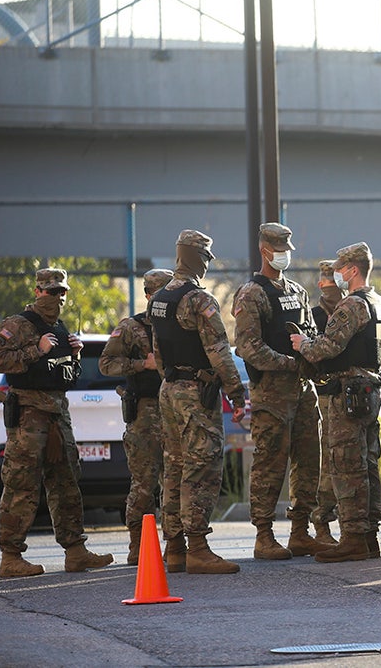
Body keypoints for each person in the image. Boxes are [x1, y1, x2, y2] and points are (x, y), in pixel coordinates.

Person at [0, 268, 115, 578]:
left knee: (66, 482)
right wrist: (36, 350)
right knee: (22, 484)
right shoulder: (17, 325)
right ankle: (11, 557)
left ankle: (76, 551)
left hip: (58, 414)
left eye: (61, 292)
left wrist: (74, 354)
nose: (56, 298)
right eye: (50, 291)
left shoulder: (59, 328)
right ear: (37, 292)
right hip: (29, 416)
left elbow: (63, 373)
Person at [292, 242, 381, 562]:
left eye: (340, 268)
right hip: (370, 392)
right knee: (366, 465)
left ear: (352, 270)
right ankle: (369, 537)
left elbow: (327, 347)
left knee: (345, 466)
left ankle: (352, 537)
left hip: (346, 395)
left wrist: (302, 343)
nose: (336, 273)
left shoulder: (352, 305)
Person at [150, 229, 247, 574]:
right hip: (196, 394)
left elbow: (158, 352)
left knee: (174, 468)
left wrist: (171, 379)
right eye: (206, 259)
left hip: (170, 390)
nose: (207, 266)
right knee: (201, 469)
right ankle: (198, 548)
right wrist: (237, 393)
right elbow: (220, 353)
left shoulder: (159, 296)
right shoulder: (199, 300)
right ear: (197, 258)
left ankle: (174, 548)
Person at [231, 223, 328, 560]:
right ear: (264, 250)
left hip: (303, 391)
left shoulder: (297, 291)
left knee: (308, 460)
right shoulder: (251, 294)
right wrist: (290, 363)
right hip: (272, 393)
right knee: (270, 462)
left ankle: (301, 530)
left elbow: (311, 333)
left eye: (287, 246)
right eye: (277, 247)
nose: (284, 253)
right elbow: (248, 347)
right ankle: (264, 535)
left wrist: (311, 355)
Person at [99, 267, 174, 566]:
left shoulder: (181, 325)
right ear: (147, 295)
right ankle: (138, 546)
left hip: (176, 413)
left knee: (175, 482)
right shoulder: (131, 327)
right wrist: (142, 364)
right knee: (144, 484)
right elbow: (107, 364)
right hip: (145, 414)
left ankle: (175, 545)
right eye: (159, 294)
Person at [308, 259, 343, 546]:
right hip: (325, 398)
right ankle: (321, 523)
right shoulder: (314, 317)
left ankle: (356, 527)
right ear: (321, 284)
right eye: (330, 282)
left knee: (352, 463)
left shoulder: (355, 311)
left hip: (351, 397)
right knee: (326, 466)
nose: (335, 288)